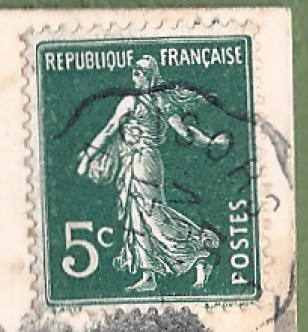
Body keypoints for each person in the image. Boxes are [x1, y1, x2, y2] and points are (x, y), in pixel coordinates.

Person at [76, 55, 227, 293]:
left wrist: (88, 157)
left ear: (148, 75)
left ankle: (199, 248)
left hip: (143, 161)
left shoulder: (144, 102)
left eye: (138, 72)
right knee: (136, 218)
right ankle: (150, 275)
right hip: (136, 161)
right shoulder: (151, 101)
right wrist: (208, 142)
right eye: (134, 71)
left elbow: (182, 131)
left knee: (152, 214)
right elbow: (184, 132)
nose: (134, 76)